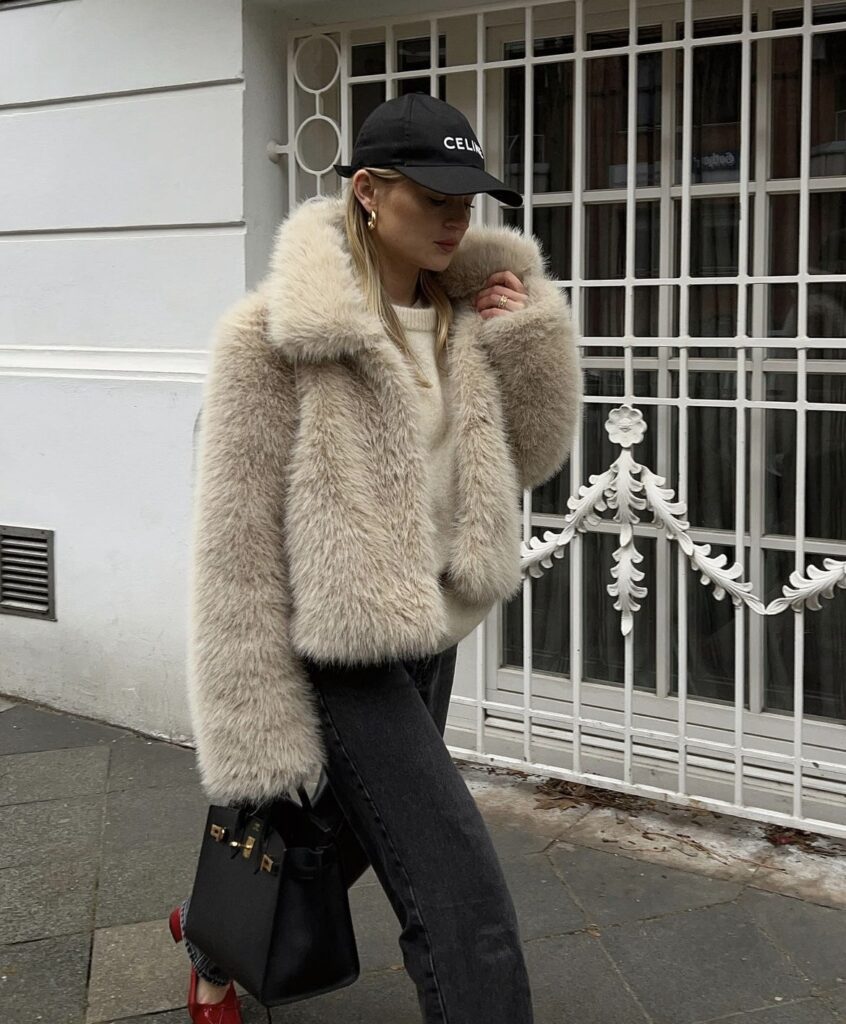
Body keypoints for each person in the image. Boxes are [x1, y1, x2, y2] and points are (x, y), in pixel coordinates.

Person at [169, 92, 582, 1024]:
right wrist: (251, 727)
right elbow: (233, 545)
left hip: (433, 628)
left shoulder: (472, 315)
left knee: (339, 838)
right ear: (367, 191)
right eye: (433, 194)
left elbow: (538, 452)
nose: (455, 217)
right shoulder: (274, 337)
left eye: (468, 200)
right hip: (337, 647)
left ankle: (207, 929)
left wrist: (523, 336)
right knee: (459, 888)